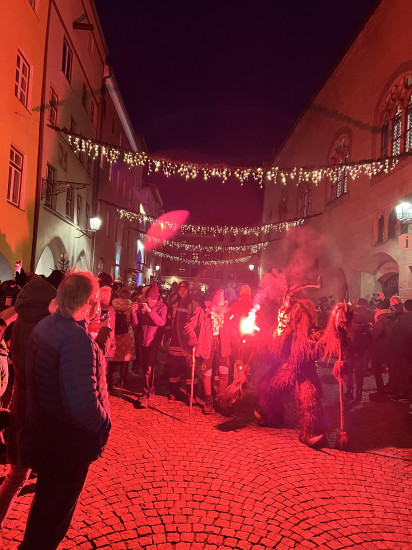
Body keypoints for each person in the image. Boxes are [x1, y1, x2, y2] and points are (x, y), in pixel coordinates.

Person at [17, 271, 111, 549]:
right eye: (95, 301)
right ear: (87, 302)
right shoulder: (75, 338)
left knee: (45, 509)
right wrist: (104, 423)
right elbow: (82, 405)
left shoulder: (47, 325)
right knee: (53, 518)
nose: (98, 307)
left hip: (46, 434)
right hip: (66, 445)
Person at [0, 276, 57, 530]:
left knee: (17, 475)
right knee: (32, 478)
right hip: (37, 413)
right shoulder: (45, 327)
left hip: (22, 406)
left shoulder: (24, 319)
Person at [185, 288, 231, 415]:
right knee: (207, 372)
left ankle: (221, 399)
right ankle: (209, 400)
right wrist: (193, 336)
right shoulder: (200, 310)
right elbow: (188, 326)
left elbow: (231, 328)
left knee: (224, 371)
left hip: (223, 345)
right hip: (206, 344)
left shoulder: (227, 313)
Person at [132, 283, 167, 408]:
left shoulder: (162, 307)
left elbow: (161, 322)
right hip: (142, 340)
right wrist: (133, 312)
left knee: (149, 369)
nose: (149, 301)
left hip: (153, 342)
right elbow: (136, 323)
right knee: (144, 368)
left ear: (156, 298)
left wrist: (150, 311)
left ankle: (145, 395)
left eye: (152, 299)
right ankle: (151, 391)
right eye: (148, 299)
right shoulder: (143, 305)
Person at [165, 281, 198, 402]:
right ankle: (174, 391)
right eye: (180, 289)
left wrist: (194, 338)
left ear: (188, 290)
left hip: (188, 342)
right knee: (174, 368)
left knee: (190, 369)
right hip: (175, 340)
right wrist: (169, 335)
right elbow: (168, 321)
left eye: (185, 289)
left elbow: (198, 324)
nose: (182, 291)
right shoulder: (173, 304)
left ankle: (191, 394)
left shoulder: (195, 305)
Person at [346, 298, 374, 401]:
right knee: (359, 373)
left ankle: (350, 392)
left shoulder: (349, 329)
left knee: (349, 373)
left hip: (350, 353)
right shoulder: (369, 316)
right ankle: (359, 393)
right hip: (361, 352)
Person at [108, 287, 135, 389]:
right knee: (125, 360)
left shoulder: (112, 306)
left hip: (114, 335)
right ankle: (122, 381)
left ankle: (110, 380)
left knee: (113, 359)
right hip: (127, 335)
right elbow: (134, 322)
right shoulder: (131, 306)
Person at [369, 299, 396, 402]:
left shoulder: (382, 320)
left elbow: (376, 334)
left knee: (377, 371)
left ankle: (380, 391)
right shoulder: (392, 318)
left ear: (380, 309)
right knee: (391, 370)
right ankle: (391, 387)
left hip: (380, 349)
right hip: (390, 348)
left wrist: (370, 328)